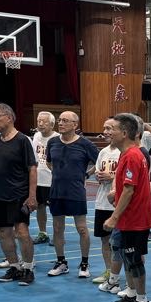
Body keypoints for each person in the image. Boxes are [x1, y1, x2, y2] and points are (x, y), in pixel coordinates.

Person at [104, 113, 151, 302]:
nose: (108, 132)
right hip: (130, 219)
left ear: (124, 133)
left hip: (136, 220)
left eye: (112, 129)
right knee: (129, 258)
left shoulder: (133, 155)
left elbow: (128, 190)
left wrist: (114, 217)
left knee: (134, 260)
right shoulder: (127, 154)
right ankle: (133, 294)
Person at [0, 103, 38, 285]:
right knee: (3, 232)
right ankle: (14, 267)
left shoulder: (23, 140)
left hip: (19, 195)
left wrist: (32, 196)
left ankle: (28, 269)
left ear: (9, 117)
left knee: (21, 232)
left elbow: (32, 169)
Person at [45, 110, 99, 278]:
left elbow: (100, 162)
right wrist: (59, 174)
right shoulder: (52, 142)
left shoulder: (85, 144)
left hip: (76, 192)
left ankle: (84, 264)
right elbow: (48, 162)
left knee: (82, 229)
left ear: (75, 125)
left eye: (65, 121)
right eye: (59, 120)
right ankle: (61, 262)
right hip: (56, 192)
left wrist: (86, 174)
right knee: (57, 228)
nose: (60, 123)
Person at [91, 116, 122, 292]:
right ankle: (109, 272)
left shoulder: (123, 152)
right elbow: (98, 171)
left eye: (109, 128)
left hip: (117, 203)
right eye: (104, 128)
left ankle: (120, 275)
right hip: (102, 202)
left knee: (119, 242)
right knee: (104, 240)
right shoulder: (103, 152)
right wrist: (99, 176)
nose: (106, 132)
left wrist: (112, 177)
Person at [31, 111, 58, 244]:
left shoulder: (58, 138)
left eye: (44, 121)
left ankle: (58, 235)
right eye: (38, 121)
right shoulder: (36, 136)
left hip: (52, 181)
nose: (40, 124)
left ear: (52, 124)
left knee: (56, 210)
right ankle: (43, 233)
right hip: (38, 180)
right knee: (40, 207)